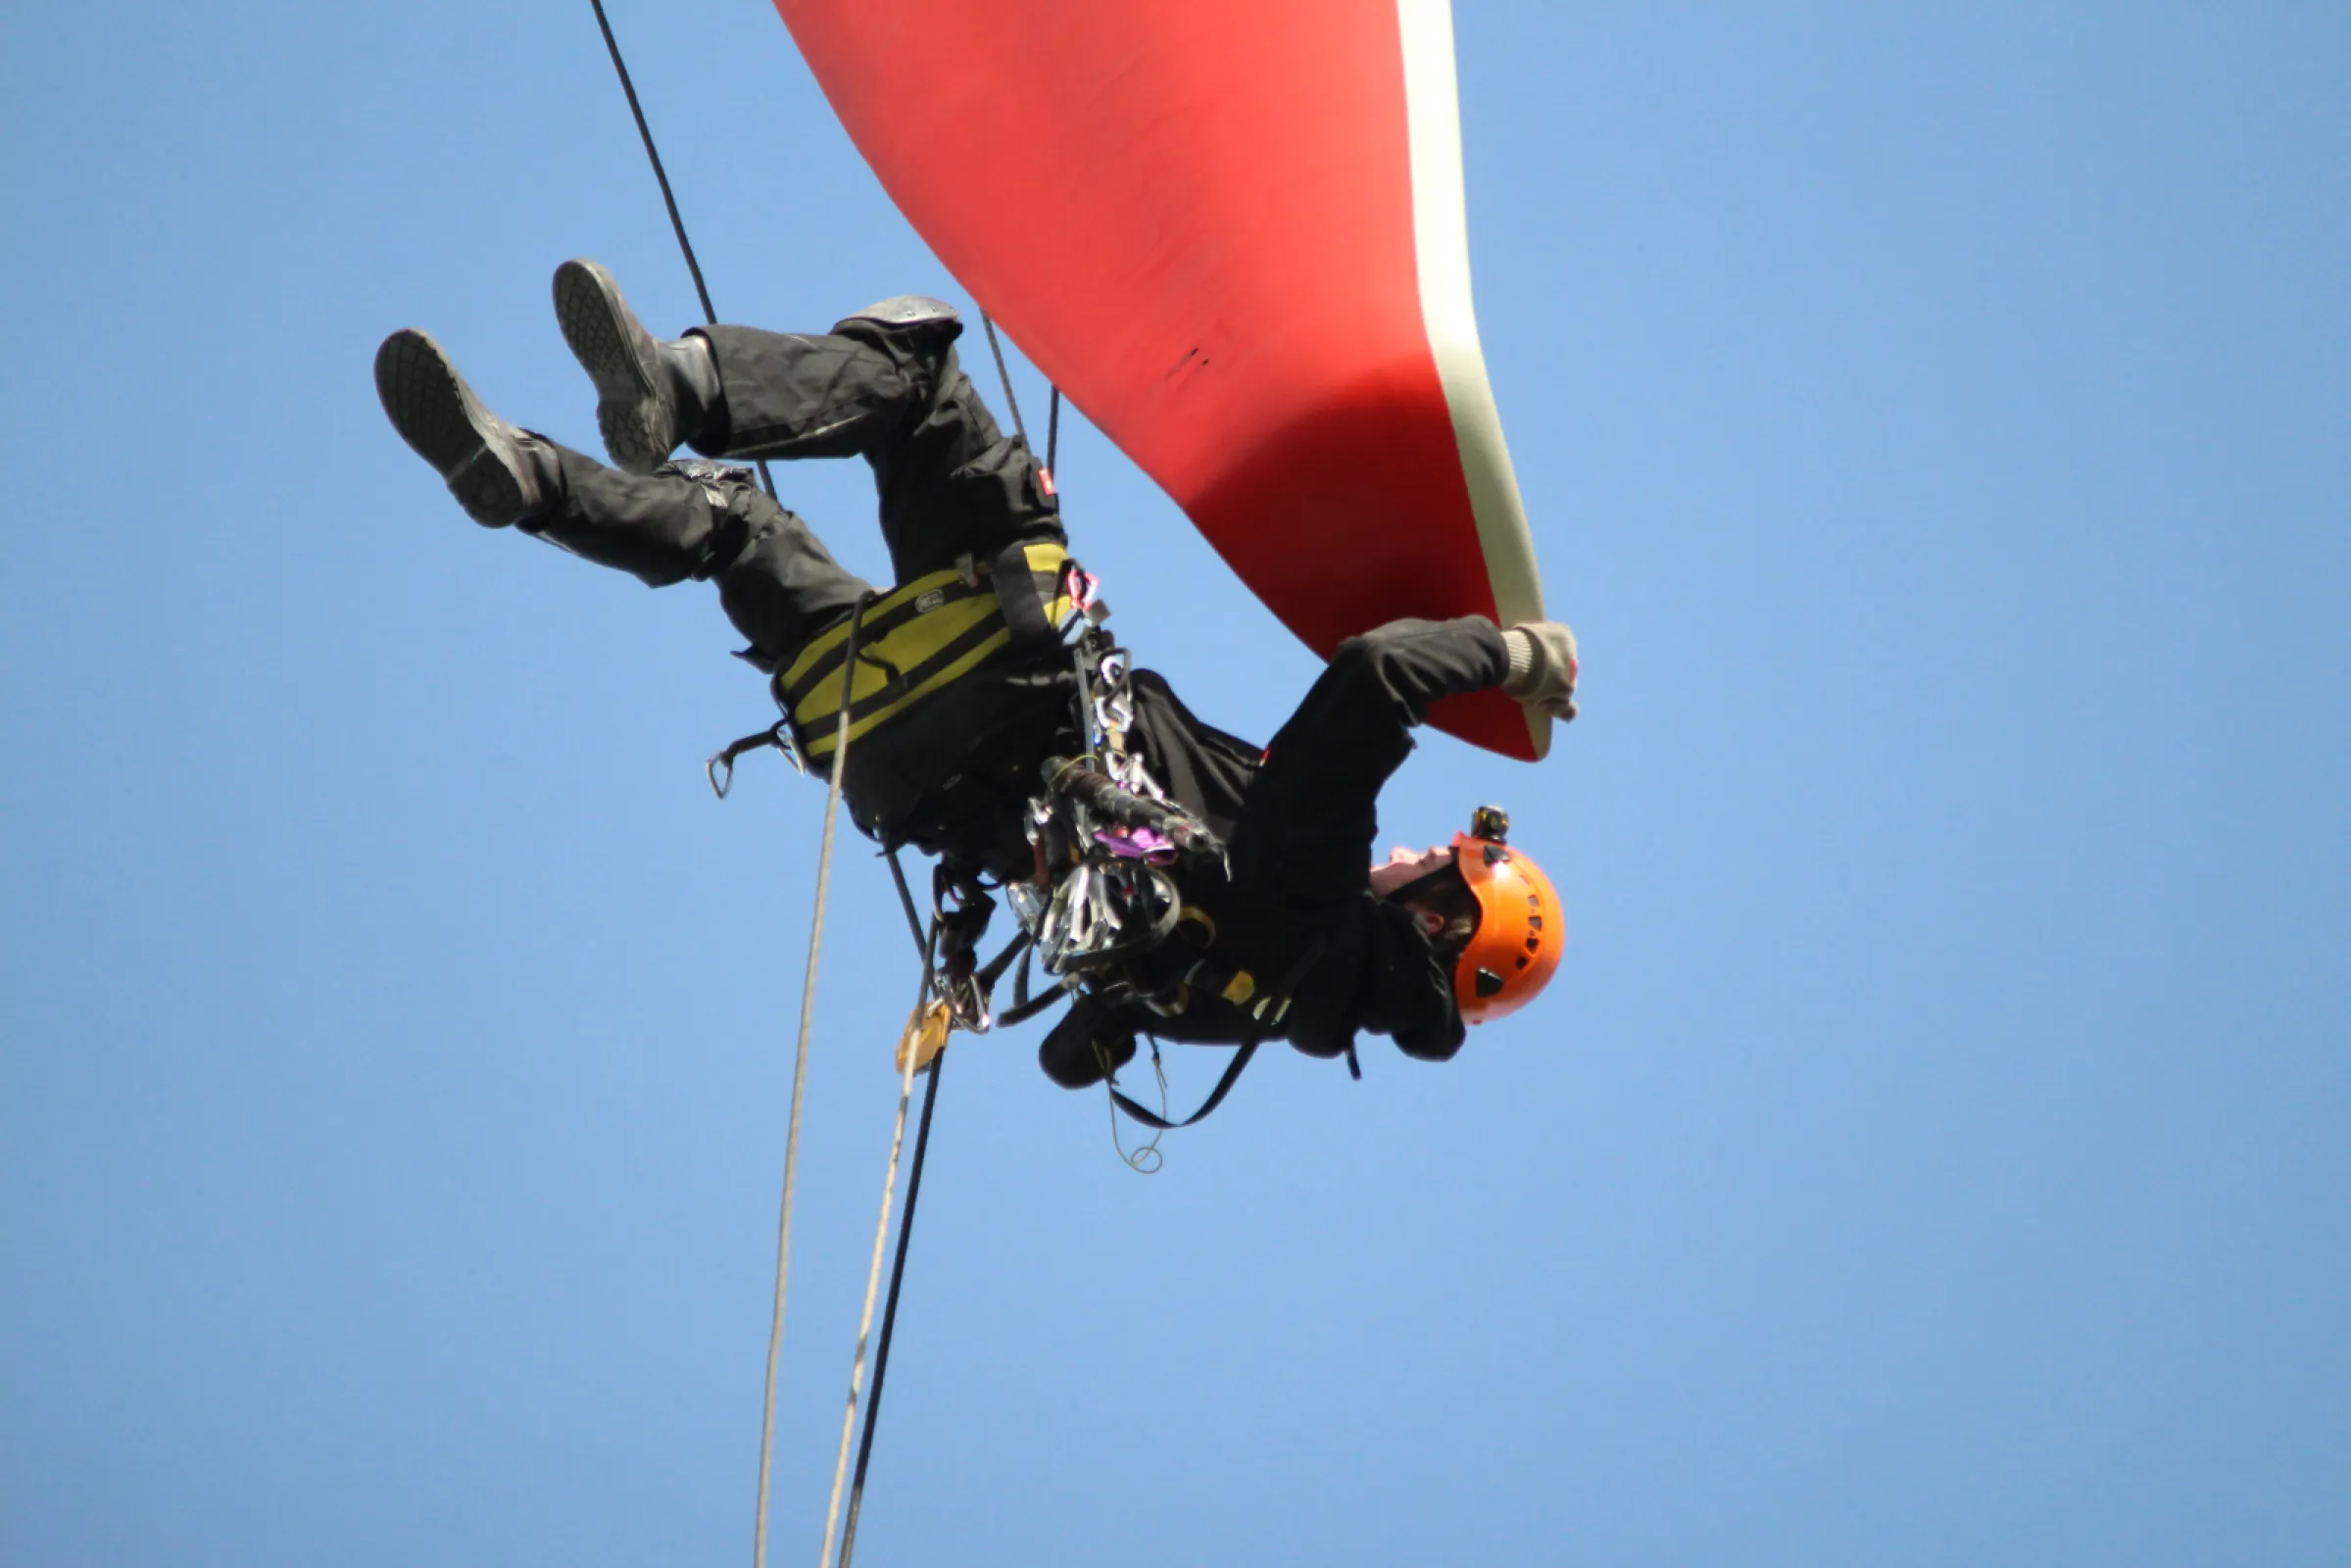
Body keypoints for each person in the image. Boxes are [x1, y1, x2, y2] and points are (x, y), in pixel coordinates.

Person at [374, 261, 1580, 1096]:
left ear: (1439, 915)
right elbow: (1066, 1059)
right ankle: (528, 482)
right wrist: (1127, 1012)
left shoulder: (1312, 901)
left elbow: (1375, 678)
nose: (1417, 846)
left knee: (914, 372)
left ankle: (680, 385)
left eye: (1439, 862)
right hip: (888, 758)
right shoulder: (1254, 1000)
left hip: (1006, 673)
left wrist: (1516, 652)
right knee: (732, 530)